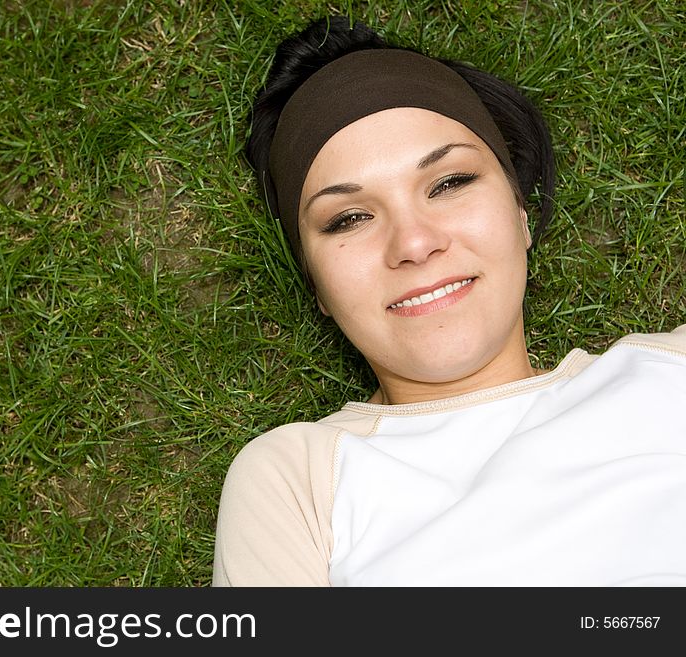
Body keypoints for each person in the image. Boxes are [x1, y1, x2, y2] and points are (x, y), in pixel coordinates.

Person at [212, 16, 686, 586]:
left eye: (449, 183)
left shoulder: (669, 371)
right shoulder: (297, 478)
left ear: (520, 214)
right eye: (350, 219)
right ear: (318, 287)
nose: (414, 243)